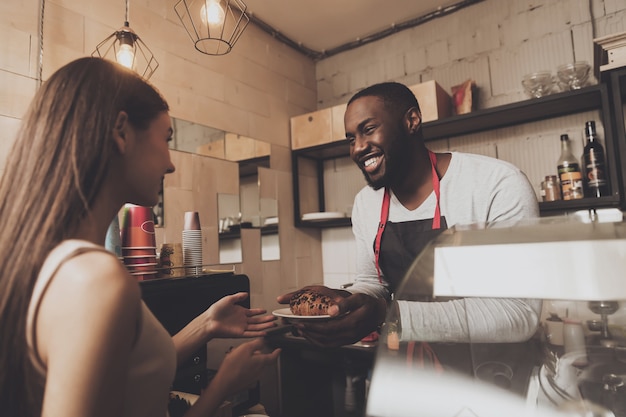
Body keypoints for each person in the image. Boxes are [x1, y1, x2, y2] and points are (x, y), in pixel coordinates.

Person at [0, 57, 280, 417]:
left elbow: (130, 368)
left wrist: (206, 324)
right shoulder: (97, 281)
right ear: (121, 131)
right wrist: (224, 384)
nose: (170, 163)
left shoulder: (52, 260)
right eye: (166, 138)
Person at [277, 81, 542, 353]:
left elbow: (519, 312)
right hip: (411, 371)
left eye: (368, 130)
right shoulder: (366, 204)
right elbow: (373, 284)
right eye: (351, 139)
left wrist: (388, 314)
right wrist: (344, 302)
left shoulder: (495, 184)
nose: (357, 148)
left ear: (412, 121)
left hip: (493, 375)